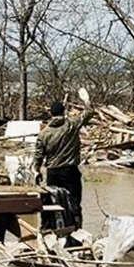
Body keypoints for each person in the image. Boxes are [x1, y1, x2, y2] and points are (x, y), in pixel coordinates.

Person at [34, 98, 96, 228]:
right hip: (69, 171)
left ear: (51, 114)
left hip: (52, 172)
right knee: (74, 202)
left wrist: (36, 170)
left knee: (52, 202)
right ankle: (76, 230)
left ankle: (50, 229)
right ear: (64, 112)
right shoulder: (71, 124)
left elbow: (38, 155)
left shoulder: (44, 133)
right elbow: (90, 112)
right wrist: (86, 100)